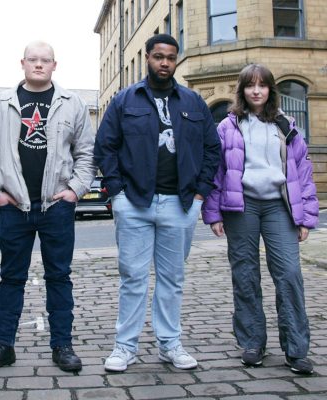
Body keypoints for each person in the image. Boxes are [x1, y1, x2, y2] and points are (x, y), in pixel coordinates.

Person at [94, 34, 221, 372]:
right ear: (147, 58)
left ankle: (169, 344)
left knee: (172, 279)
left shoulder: (194, 103)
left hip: (180, 204)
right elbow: (105, 147)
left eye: (170, 57)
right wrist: (116, 192)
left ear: (176, 61)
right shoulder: (124, 101)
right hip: (134, 202)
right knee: (133, 277)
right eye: (158, 56)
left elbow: (212, 150)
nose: (164, 62)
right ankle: (125, 347)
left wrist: (200, 193)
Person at [0, 40, 96, 372]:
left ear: (55, 65)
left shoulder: (73, 104)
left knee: (59, 277)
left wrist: (75, 189)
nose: (39, 64)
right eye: (33, 59)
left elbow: (86, 152)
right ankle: (3, 346)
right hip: (14, 206)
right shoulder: (1, 103)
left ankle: (63, 347)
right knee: (11, 277)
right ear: (22, 63)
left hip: (56, 206)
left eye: (45, 60)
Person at [202, 64, 318, 375]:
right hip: (242, 207)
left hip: (279, 207)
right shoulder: (227, 127)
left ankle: (296, 349)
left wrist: (306, 216)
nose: (257, 91)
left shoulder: (286, 125)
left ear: (270, 90)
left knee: (290, 274)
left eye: (262, 85)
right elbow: (217, 172)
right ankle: (252, 342)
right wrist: (213, 213)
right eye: (250, 85)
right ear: (242, 90)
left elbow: (303, 174)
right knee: (245, 275)